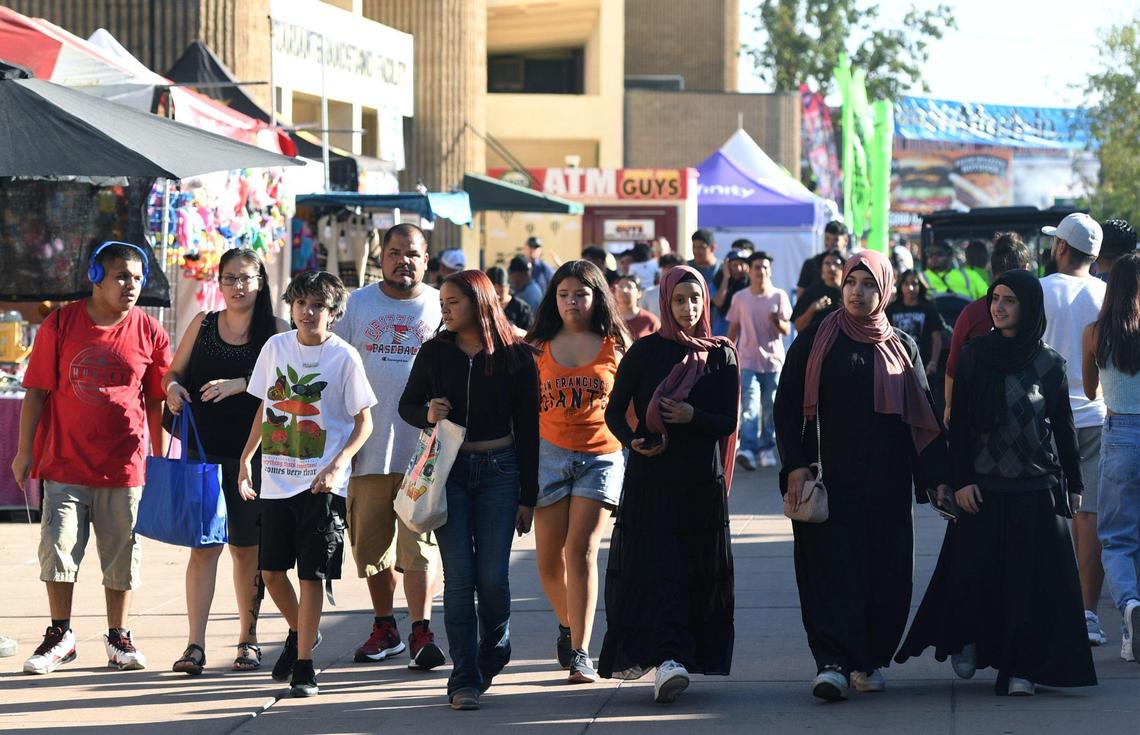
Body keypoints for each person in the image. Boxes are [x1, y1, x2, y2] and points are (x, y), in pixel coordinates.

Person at [896, 270, 1097, 697]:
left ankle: (1021, 668)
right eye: (995, 299)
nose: (998, 307)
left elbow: (1063, 428)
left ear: (1029, 307)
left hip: (1035, 486)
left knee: (1028, 585)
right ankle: (968, 638)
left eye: (1009, 300)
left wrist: (1074, 484)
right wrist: (961, 481)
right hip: (983, 487)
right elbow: (960, 426)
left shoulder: (1049, 363)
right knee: (975, 575)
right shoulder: (974, 356)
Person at [774, 250, 951, 701]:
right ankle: (832, 661)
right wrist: (795, 464)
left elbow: (924, 420)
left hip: (886, 484)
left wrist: (939, 478)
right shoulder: (816, 339)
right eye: (851, 282)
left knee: (885, 573)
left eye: (869, 284)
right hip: (828, 480)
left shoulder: (902, 345)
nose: (857, 292)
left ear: (884, 290)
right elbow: (786, 405)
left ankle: (868, 658)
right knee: (830, 570)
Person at [15, 241, 170, 675]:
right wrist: (25, 451)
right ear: (96, 277)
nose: (131, 286)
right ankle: (60, 636)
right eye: (121, 276)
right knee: (58, 549)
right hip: (64, 463)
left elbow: (156, 400)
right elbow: (36, 392)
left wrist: (159, 458)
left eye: (137, 278)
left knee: (122, 555)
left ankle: (119, 636)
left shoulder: (150, 331)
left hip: (124, 467)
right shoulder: (61, 323)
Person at [398, 270, 539, 711]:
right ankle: (463, 676)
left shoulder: (517, 357)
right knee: (459, 579)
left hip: (501, 471)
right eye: (441, 303)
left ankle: (492, 651)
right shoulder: (434, 351)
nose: (444, 310)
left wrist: (529, 495)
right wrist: (428, 412)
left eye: (452, 302)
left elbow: (530, 429)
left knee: (492, 577)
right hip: (449, 473)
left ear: (479, 303)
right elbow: (406, 405)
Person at [598, 266, 739, 705]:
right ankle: (666, 658)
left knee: (693, 568)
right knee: (658, 567)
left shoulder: (721, 355)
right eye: (679, 300)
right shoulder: (645, 351)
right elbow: (615, 412)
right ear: (665, 302)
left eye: (695, 299)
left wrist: (693, 417)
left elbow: (728, 421)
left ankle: (682, 655)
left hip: (699, 481)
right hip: (653, 479)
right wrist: (634, 442)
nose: (688, 307)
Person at [237, 271, 377, 698]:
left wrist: (338, 466)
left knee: (311, 574)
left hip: (321, 486)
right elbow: (265, 406)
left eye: (318, 305)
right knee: (271, 573)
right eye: (301, 303)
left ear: (333, 313)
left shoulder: (344, 357)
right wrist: (246, 459)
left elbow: (364, 423)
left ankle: (304, 665)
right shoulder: (275, 347)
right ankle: (303, 631)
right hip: (276, 480)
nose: (308, 311)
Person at [164, 248, 289, 675]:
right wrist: (172, 390)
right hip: (202, 453)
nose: (238, 286)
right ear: (219, 282)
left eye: (246, 278)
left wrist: (242, 383)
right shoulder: (203, 323)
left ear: (260, 282)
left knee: (246, 551)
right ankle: (194, 645)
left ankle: (247, 640)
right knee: (203, 548)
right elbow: (172, 373)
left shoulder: (276, 330)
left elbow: (288, 389)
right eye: (230, 278)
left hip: (253, 457)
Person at [332, 224, 446, 670]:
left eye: (412, 253)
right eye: (395, 252)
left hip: (424, 453)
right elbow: (330, 361)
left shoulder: (440, 304)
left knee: (419, 547)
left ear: (426, 259)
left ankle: (421, 631)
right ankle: (385, 627)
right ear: (381, 257)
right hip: (366, 448)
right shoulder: (356, 305)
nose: (403, 261)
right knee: (371, 547)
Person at [528, 261, 631, 684]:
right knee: (549, 561)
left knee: (581, 550)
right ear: (554, 299)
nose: (572, 301)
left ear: (597, 297)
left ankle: (581, 652)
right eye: (564, 294)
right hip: (548, 455)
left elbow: (632, 404)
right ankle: (568, 623)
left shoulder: (616, 345)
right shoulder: (537, 346)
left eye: (581, 294)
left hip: (601, 456)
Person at [1037, 212, 1110, 645]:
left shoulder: (1039, 290)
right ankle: (1087, 614)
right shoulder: (1106, 293)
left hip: (1043, 419)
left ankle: (1048, 608)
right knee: (1091, 515)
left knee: (1046, 516)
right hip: (1096, 414)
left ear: (1062, 246)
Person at [1083, 250, 1140, 664]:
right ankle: (1130, 632)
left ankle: (1130, 606)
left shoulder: (1096, 332)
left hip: (1119, 433)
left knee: (1118, 539)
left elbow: (1090, 391)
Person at [944, 233, 1032, 425]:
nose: (999, 310)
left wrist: (950, 407)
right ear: (1026, 269)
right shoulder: (1039, 311)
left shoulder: (972, 313)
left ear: (992, 270)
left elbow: (953, 366)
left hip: (981, 416)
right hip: (1028, 415)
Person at [728, 252, 791, 471]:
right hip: (747, 361)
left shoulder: (779, 296)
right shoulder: (740, 298)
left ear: (770, 271)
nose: (761, 271)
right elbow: (733, 329)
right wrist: (726, 355)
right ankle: (747, 449)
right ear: (750, 270)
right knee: (749, 405)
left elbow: (787, 329)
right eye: (756, 267)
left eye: (764, 267)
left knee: (770, 407)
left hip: (773, 361)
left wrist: (776, 321)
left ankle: (766, 447)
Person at [885, 270, 944, 379]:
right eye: (906, 284)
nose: (910, 288)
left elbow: (937, 338)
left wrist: (933, 362)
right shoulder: (891, 310)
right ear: (900, 286)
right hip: (896, 368)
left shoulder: (929, 308)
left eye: (914, 283)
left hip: (923, 369)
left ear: (920, 285)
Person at [791, 249, 844, 332]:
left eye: (836, 263)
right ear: (821, 269)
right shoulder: (811, 292)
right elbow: (798, 326)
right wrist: (812, 309)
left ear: (843, 267)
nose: (832, 268)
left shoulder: (849, 293)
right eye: (827, 263)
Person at [796, 220, 849, 298]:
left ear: (845, 241)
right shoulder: (811, 264)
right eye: (827, 239)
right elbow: (800, 295)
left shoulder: (851, 265)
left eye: (835, 240)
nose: (830, 244)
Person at [923, 240, 987, 301]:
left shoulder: (970, 275)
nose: (934, 258)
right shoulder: (921, 277)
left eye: (939, 254)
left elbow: (988, 297)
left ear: (950, 257)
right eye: (930, 255)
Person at [711, 246, 751, 336]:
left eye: (742, 264)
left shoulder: (749, 281)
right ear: (727, 266)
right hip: (721, 331)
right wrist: (726, 277)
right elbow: (718, 302)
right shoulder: (718, 280)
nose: (739, 269)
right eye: (734, 265)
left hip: (743, 333)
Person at [487, 265, 532, 335]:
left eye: (500, 290)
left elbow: (532, 335)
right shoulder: (482, 307)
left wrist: (519, 332)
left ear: (508, 287)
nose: (496, 295)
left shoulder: (521, 308)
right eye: (493, 290)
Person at [613, 274, 660, 339]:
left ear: (639, 293)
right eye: (621, 286)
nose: (624, 290)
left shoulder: (650, 320)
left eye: (629, 286)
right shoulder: (609, 318)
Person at [640, 254, 682, 320]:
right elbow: (642, 318)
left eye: (672, 267)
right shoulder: (648, 293)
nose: (668, 271)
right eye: (665, 267)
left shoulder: (685, 293)